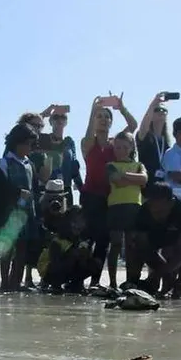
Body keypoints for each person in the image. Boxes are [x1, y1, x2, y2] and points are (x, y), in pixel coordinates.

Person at [80, 95, 138, 286]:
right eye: (100, 117)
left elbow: (133, 125)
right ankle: (78, 279)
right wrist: (93, 110)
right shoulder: (88, 143)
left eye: (106, 117)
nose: (103, 119)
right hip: (90, 196)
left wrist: (121, 107)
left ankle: (95, 282)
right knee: (87, 239)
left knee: (104, 242)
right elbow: (89, 134)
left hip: (109, 198)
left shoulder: (116, 144)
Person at [0, 123, 39, 292]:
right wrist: (17, 192)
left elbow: (35, 188)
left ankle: (16, 282)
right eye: (27, 143)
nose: (29, 148)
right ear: (17, 142)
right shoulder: (5, 162)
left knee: (22, 248)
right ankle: (5, 282)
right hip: (9, 212)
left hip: (26, 213)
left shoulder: (30, 164)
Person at [106, 131, 147, 288]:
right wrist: (133, 178)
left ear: (131, 148)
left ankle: (131, 281)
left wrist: (125, 175)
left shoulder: (139, 165)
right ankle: (112, 282)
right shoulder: (110, 165)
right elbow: (117, 181)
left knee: (131, 245)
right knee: (115, 244)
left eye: (124, 147)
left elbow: (143, 179)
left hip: (134, 207)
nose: (120, 150)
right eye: (117, 147)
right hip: (116, 207)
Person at [136, 93, 172, 186]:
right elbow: (143, 126)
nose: (161, 111)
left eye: (164, 110)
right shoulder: (146, 136)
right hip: (147, 186)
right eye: (157, 109)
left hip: (163, 187)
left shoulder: (167, 142)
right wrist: (154, 103)